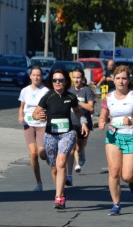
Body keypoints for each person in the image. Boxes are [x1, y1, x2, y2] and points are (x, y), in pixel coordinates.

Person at [32, 68, 88, 209]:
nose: (58, 82)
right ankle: (60, 192)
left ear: (65, 82)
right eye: (55, 80)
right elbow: (34, 114)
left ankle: (59, 197)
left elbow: (78, 112)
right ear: (52, 82)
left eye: (61, 80)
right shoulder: (48, 96)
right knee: (54, 168)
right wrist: (39, 116)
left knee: (61, 161)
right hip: (51, 134)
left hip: (67, 134)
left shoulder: (71, 97)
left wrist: (83, 123)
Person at [98, 65, 133, 216]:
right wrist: (102, 122)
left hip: (131, 136)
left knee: (126, 175)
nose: (121, 81)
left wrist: (132, 122)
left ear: (128, 80)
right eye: (118, 78)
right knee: (114, 171)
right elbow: (103, 116)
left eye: (124, 78)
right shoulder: (108, 97)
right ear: (113, 80)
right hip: (113, 136)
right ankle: (116, 204)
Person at [18, 66, 49, 191]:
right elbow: (21, 107)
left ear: (41, 77)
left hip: (41, 124)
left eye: (38, 75)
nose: (36, 77)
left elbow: (49, 107)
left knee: (42, 154)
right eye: (34, 75)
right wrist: (20, 116)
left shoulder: (46, 91)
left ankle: (49, 158)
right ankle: (39, 183)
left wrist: (45, 113)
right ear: (30, 76)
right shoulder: (25, 91)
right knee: (33, 153)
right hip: (28, 123)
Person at [66, 68, 95, 185]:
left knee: (79, 147)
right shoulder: (69, 90)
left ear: (83, 79)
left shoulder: (87, 91)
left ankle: (82, 152)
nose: (76, 80)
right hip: (71, 122)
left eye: (78, 77)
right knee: (71, 148)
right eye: (74, 77)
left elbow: (91, 108)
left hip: (84, 123)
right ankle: (70, 175)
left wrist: (77, 102)